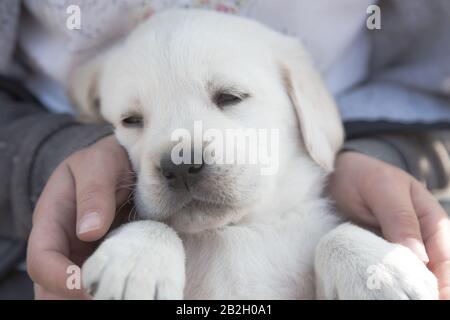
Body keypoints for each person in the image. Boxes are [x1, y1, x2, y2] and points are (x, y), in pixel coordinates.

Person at [0, 0, 449, 299]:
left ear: (302, 102)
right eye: (134, 121)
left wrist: (385, 153)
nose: (179, 158)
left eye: (229, 98)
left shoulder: (338, 246)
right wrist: (51, 157)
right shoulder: (144, 242)